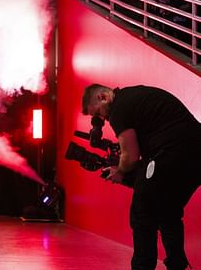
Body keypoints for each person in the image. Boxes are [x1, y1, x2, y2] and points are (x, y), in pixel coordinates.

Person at [81, 84, 201, 270]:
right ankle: (178, 265)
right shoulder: (134, 96)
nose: (101, 119)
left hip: (172, 154)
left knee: (142, 214)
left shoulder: (119, 109)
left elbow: (129, 157)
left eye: (98, 113)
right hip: (195, 156)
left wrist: (119, 171)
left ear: (103, 97)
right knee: (168, 211)